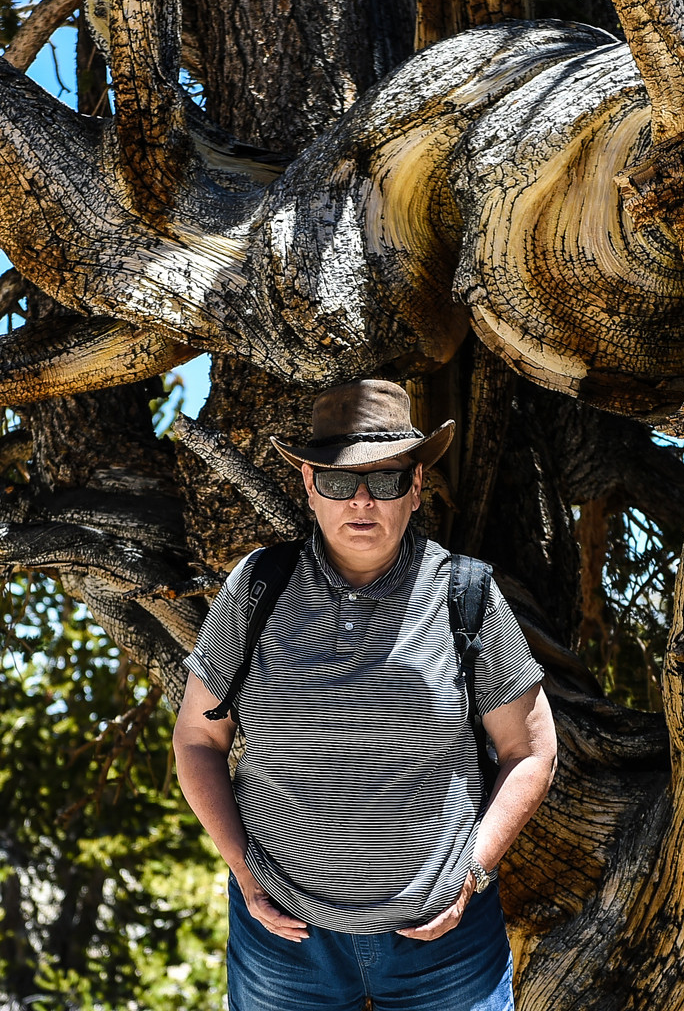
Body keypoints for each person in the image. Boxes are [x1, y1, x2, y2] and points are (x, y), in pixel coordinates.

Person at [173, 379, 557, 1011]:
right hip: (285, 942)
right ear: (307, 483)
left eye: (383, 481)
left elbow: (532, 753)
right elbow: (196, 738)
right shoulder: (256, 589)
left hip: (446, 943)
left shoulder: (466, 594)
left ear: (414, 489)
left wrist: (474, 874)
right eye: (338, 481)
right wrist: (245, 873)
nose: (361, 502)